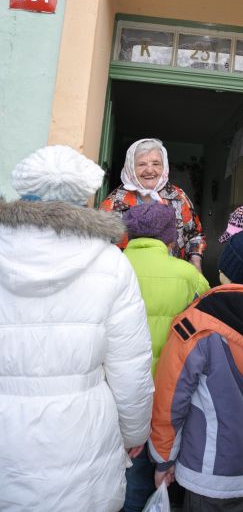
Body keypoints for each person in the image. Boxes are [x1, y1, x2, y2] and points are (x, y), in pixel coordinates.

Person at [0, 145, 154, 512]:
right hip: (82, 436)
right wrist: (135, 432)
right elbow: (130, 366)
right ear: (85, 194)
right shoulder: (111, 262)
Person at [150, 228, 243, 512]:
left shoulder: (196, 325)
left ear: (223, 272)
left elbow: (171, 397)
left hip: (208, 471)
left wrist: (163, 459)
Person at [121, 201, 210, 512]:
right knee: (160, 473)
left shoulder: (111, 266)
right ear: (171, 237)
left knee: (124, 479)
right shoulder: (187, 275)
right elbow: (206, 326)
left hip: (119, 393)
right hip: (170, 393)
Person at [101, 138, 206, 270]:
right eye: (142, 164)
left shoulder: (178, 197)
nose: (150, 170)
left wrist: (195, 262)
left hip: (171, 275)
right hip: (129, 276)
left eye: (156, 163)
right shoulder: (114, 203)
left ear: (164, 166)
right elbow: (100, 246)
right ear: (130, 168)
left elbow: (195, 235)